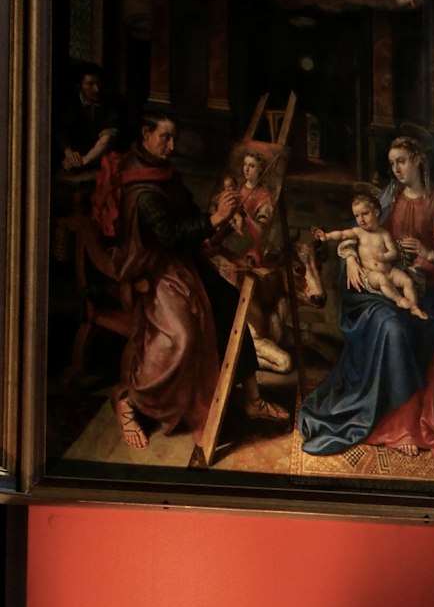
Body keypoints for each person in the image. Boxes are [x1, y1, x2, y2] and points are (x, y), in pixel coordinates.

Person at [94, 112, 289, 449]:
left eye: (174, 138)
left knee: (231, 305)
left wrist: (216, 220)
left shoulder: (162, 173)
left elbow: (185, 217)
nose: (172, 146)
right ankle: (130, 401)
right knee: (182, 336)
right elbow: (168, 236)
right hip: (153, 271)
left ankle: (253, 400)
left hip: (183, 263)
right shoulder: (140, 186)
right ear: (145, 132)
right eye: (165, 138)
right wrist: (213, 220)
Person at [298, 134, 434, 457]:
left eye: (401, 161)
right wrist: (350, 257)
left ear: (419, 160)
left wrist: (429, 252)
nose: (396, 169)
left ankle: (418, 421)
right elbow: (357, 232)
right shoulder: (389, 197)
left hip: (429, 283)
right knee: (393, 330)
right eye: (392, 164)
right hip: (385, 282)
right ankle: (399, 423)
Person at [314, 186, 428, 318]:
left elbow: (393, 253)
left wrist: (384, 256)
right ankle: (399, 300)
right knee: (381, 279)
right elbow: (341, 235)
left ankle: (414, 307)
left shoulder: (384, 234)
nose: (361, 219)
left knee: (407, 281)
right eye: (357, 216)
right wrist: (326, 237)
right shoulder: (358, 232)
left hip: (389, 271)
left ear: (376, 212)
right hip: (371, 275)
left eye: (365, 214)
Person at [55, 64, 124, 173]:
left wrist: (84, 161)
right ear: (79, 85)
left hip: (100, 159)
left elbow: (106, 139)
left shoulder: (113, 103)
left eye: (99, 83)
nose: (97, 89)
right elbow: (61, 132)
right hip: (74, 158)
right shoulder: (69, 103)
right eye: (90, 84)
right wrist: (70, 155)